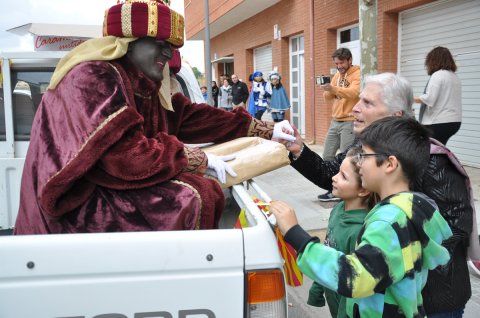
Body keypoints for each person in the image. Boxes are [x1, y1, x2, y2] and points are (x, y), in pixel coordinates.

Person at [13, 0, 295, 235]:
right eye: (159, 42)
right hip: (70, 207)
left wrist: (265, 129)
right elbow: (123, 156)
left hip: (105, 187)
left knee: (202, 191)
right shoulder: (93, 77)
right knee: (191, 197)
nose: (168, 52)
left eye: (171, 45)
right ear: (128, 43)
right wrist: (195, 159)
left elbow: (190, 118)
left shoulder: (142, 84)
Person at [283, 72, 474, 317]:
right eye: (359, 100)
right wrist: (298, 150)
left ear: (395, 116)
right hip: (380, 286)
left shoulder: (430, 159)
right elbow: (337, 176)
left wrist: (391, 253)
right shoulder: (367, 150)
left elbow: (456, 225)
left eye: (368, 103)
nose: (355, 108)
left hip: (432, 296)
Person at [272, 116, 452, 317]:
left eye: (364, 156)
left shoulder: (389, 222)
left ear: (389, 164)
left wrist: (296, 234)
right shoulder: (409, 208)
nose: (360, 163)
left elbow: (355, 277)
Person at [307, 146, 377, 318]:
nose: (334, 178)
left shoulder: (361, 230)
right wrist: (317, 286)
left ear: (363, 190)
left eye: (343, 176)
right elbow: (328, 250)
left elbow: (353, 284)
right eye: (338, 172)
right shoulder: (337, 209)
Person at [318, 47, 360, 202]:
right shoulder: (337, 75)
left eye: (341, 62)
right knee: (327, 156)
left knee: (346, 157)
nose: (339, 66)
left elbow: (353, 93)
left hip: (350, 121)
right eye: (336, 63)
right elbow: (327, 98)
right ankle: (333, 189)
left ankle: (346, 192)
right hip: (335, 121)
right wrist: (327, 89)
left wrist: (333, 88)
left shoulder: (357, 74)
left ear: (349, 60)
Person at [414, 46, 462, 145]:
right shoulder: (454, 77)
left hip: (438, 122)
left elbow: (429, 99)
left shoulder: (437, 75)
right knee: (439, 149)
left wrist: (410, 97)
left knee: (430, 151)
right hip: (454, 122)